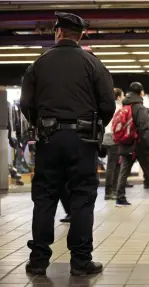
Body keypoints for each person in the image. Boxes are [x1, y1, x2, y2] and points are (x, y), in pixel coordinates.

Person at [20, 11, 115, 276]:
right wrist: (94, 128)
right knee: (82, 198)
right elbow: (108, 104)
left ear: (58, 32)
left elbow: (25, 104)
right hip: (83, 140)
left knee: (45, 198)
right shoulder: (93, 64)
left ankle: (38, 261)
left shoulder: (38, 64)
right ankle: (81, 262)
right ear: (81, 35)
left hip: (48, 139)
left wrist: (41, 123)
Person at [115, 82, 149, 205]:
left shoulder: (126, 105)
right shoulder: (139, 108)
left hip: (126, 143)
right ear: (141, 92)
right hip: (138, 145)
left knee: (125, 171)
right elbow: (144, 129)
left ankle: (120, 197)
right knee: (148, 170)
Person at [102, 88, 125, 200]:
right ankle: (110, 192)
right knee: (114, 166)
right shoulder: (120, 108)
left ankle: (111, 191)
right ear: (119, 97)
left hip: (105, 136)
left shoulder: (107, 106)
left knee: (112, 165)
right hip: (114, 137)